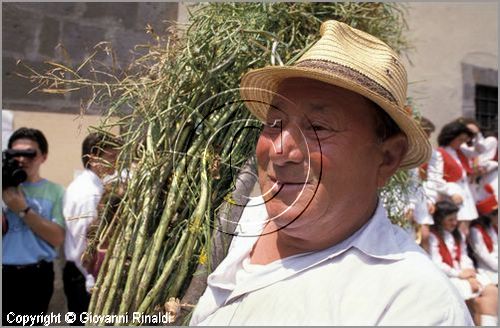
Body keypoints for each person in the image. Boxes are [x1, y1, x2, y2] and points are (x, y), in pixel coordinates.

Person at [190, 20, 473, 325]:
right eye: (274, 124)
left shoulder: (412, 305)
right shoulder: (234, 218)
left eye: (319, 128)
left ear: (387, 158)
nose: (279, 150)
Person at [2, 127, 65, 324]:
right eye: (16, 153)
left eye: (30, 153)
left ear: (43, 157)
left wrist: (23, 209)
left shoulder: (55, 191)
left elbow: (57, 237)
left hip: (37, 276)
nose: (22, 159)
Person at [62, 132, 120, 325]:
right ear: (93, 157)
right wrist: (91, 281)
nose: (117, 162)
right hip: (85, 276)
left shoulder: (93, 188)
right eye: (112, 157)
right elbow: (86, 245)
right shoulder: (88, 194)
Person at [428, 200, 498, 325]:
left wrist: (469, 274)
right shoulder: (433, 237)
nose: (454, 223)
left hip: (464, 275)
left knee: (492, 292)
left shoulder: (457, 234)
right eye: (450, 220)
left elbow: (464, 256)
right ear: (439, 219)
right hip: (449, 277)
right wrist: (459, 274)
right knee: (477, 300)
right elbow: (436, 263)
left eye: (455, 219)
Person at [426, 121, 478, 236]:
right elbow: (436, 179)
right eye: (460, 140)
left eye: (464, 141)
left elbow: (479, 151)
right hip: (451, 196)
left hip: (466, 194)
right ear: (450, 137)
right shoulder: (439, 153)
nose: (462, 143)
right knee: (454, 230)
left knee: (465, 231)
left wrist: (476, 134)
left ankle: (462, 253)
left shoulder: (461, 152)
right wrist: (452, 192)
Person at [469, 196, 498, 286]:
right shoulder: (475, 231)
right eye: (496, 213)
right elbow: (483, 255)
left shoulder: (492, 227)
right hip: (487, 269)